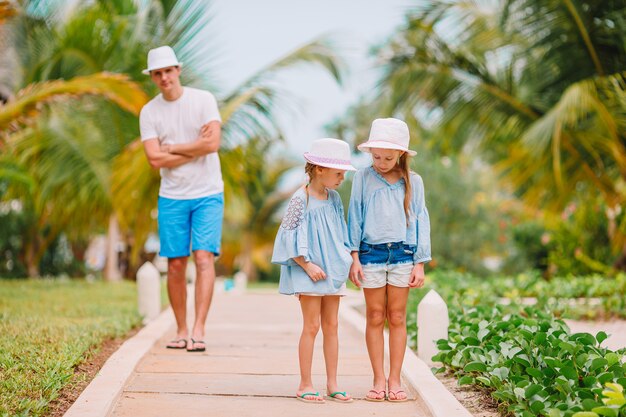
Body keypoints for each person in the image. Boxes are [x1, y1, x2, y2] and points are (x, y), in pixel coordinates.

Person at [139, 45, 223, 353]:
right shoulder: (149, 112)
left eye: (168, 71)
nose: (164, 78)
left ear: (178, 70)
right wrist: (193, 146)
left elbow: (212, 144)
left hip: (208, 193)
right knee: (175, 264)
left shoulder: (203, 100)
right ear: (153, 77)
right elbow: (153, 159)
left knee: (203, 258)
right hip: (172, 196)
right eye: (157, 73)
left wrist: (171, 148)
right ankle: (182, 329)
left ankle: (199, 329)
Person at [348, 118, 431, 402]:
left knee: (396, 317)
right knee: (374, 316)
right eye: (376, 156)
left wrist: (420, 262)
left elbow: (421, 219)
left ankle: (395, 379)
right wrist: (354, 257)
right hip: (370, 254)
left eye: (387, 157)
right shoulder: (362, 177)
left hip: (402, 255)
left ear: (401, 155)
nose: (381, 162)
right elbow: (355, 216)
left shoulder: (413, 182)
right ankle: (378, 378)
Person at [272, 138, 356, 404]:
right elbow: (287, 237)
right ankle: (305, 383)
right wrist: (307, 265)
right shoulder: (300, 198)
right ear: (319, 169)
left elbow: (339, 232)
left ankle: (332, 383)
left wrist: (346, 260)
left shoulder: (334, 198)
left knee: (332, 325)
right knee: (312, 325)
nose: (342, 178)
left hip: (332, 269)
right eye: (338, 173)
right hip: (308, 271)